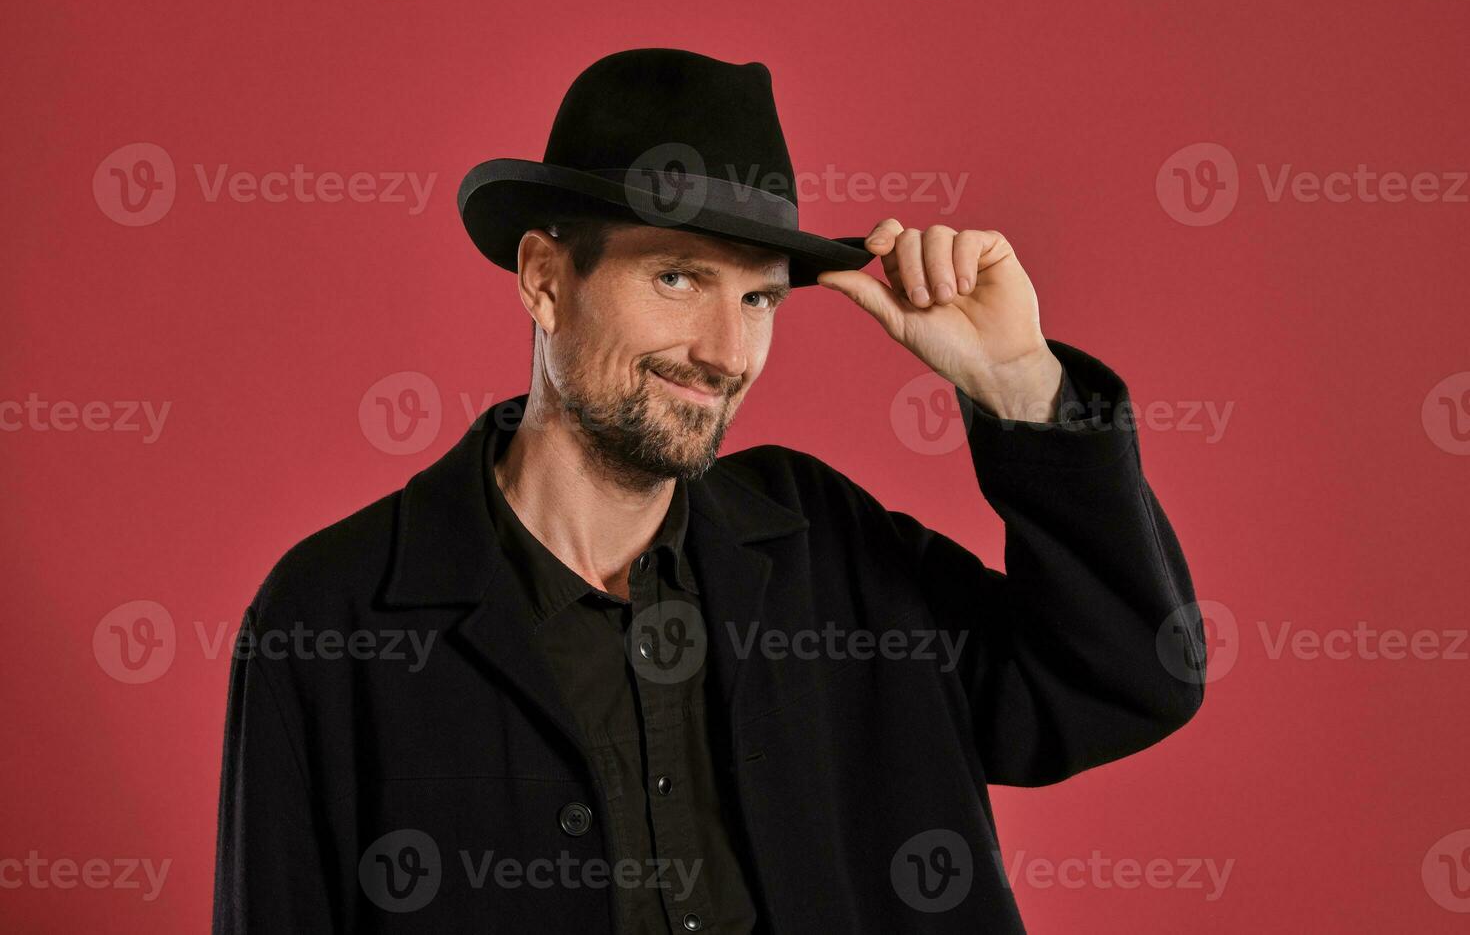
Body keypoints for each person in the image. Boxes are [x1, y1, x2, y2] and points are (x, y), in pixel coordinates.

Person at [212, 47, 1205, 934]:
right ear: (547, 278)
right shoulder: (330, 618)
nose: (727, 354)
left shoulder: (829, 550)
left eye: (760, 296)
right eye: (681, 279)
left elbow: (1128, 674)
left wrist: (1022, 384)